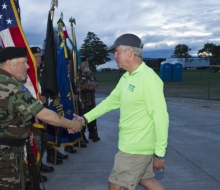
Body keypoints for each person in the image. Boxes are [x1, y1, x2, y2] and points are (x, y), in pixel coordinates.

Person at [75, 34, 169, 190]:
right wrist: (85, 118)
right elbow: (111, 102)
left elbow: (161, 117)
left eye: (117, 51)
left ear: (130, 52)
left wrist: (160, 153)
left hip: (135, 148)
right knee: (145, 180)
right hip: (132, 145)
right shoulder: (127, 77)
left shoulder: (148, 79)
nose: (114, 56)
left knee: (115, 185)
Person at [0, 47, 83, 190]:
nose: (28, 66)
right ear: (9, 63)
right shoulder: (10, 85)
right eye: (24, 62)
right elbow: (44, 114)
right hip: (5, 154)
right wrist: (72, 124)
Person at [79, 57, 100, 142]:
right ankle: (82, 136)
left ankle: (93, 134)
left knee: (93, 117)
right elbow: (78, 88)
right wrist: (88, 84)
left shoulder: (90, 73)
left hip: (91, 100)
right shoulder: (77, 74)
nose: (87, 65)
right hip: (83, 101)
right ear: (80, 64)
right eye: (85, 63)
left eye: (87, 63)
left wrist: (94, 85)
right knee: (83, 118)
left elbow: (97, 82)